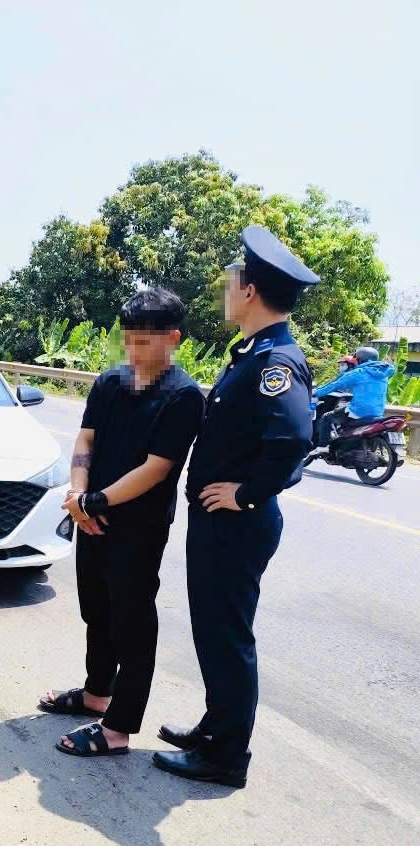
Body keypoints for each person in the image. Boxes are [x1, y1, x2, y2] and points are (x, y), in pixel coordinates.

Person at [153, 225, 318, 788]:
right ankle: (216, 728)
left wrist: (246, 493)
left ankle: (226, 758)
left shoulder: (276, 362)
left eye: (231, 282)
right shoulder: (251, 353)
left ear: (250, 292)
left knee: (227, 635)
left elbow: (292, 439)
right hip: (222, 524)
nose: (225, 290)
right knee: (214, 630)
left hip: (236, 524)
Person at [39, 288, 205, 759]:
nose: (134, 350)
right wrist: (77, 496)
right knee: (96, 610)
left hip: (137, 527)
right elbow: (85, 439)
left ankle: (117, 728)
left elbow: (157, 467)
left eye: (145, 341)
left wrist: (95, 501)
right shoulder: (109, 383)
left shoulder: (184, 396)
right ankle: (96, 694)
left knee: (132, 624)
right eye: (129, 339)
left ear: (173, 338)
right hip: (90, 517)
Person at [310, 346, 395, 444]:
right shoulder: (384, 374)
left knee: (327, 417)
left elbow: (335, 385)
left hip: (359, 411)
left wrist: (316, 393)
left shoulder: (359, 373)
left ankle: (322, 447)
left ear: (359, 359)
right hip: (377, 413)